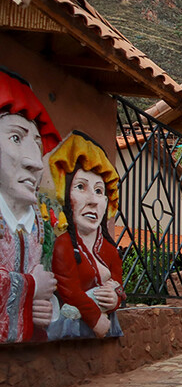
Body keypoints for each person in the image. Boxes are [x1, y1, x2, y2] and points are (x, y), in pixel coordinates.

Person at [0, 68, 60, 343]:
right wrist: (32, 287)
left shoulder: (39, 225)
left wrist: (43, 309)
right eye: (15, 138)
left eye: (38, 144)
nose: (35, 162)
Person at [48, 132, 125, 339]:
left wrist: (114, 298)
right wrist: (94, 317)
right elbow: (69, 289)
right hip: (73, 328)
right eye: (81, 187)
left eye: (99, 191)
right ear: (66, 196)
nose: (93, 200)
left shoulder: (109, 250)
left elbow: (118, 283)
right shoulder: (64, 245)